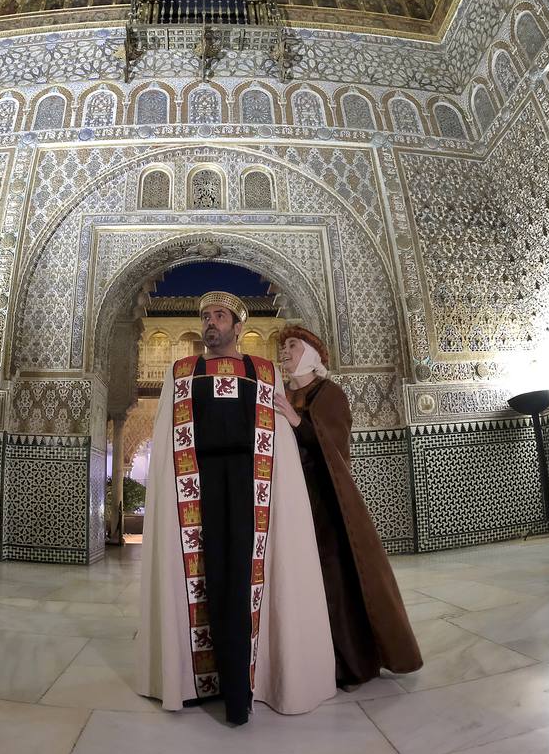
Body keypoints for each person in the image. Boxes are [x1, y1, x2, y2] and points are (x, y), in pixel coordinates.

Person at [136, 291, 335, 725]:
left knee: (246, 581)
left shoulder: (262, 372)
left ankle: (242, 689)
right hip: (196, 489)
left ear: (238, 328)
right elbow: (170, 436)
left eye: (220, 316)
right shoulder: (181, 370)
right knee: (204, 578)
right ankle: (196, 683)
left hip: (252, 489)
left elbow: (278, 438)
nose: (211, 322)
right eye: (206, 316)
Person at [272, 326, 422, 688]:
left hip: (327, 505)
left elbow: (333, 446)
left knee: (335, 583)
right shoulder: (285, 396)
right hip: (292, 503)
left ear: (311, 354)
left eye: (292, 345)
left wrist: (295, 421)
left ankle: (350, 663)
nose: (285, 352)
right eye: (283, 347)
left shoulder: (329, 392)